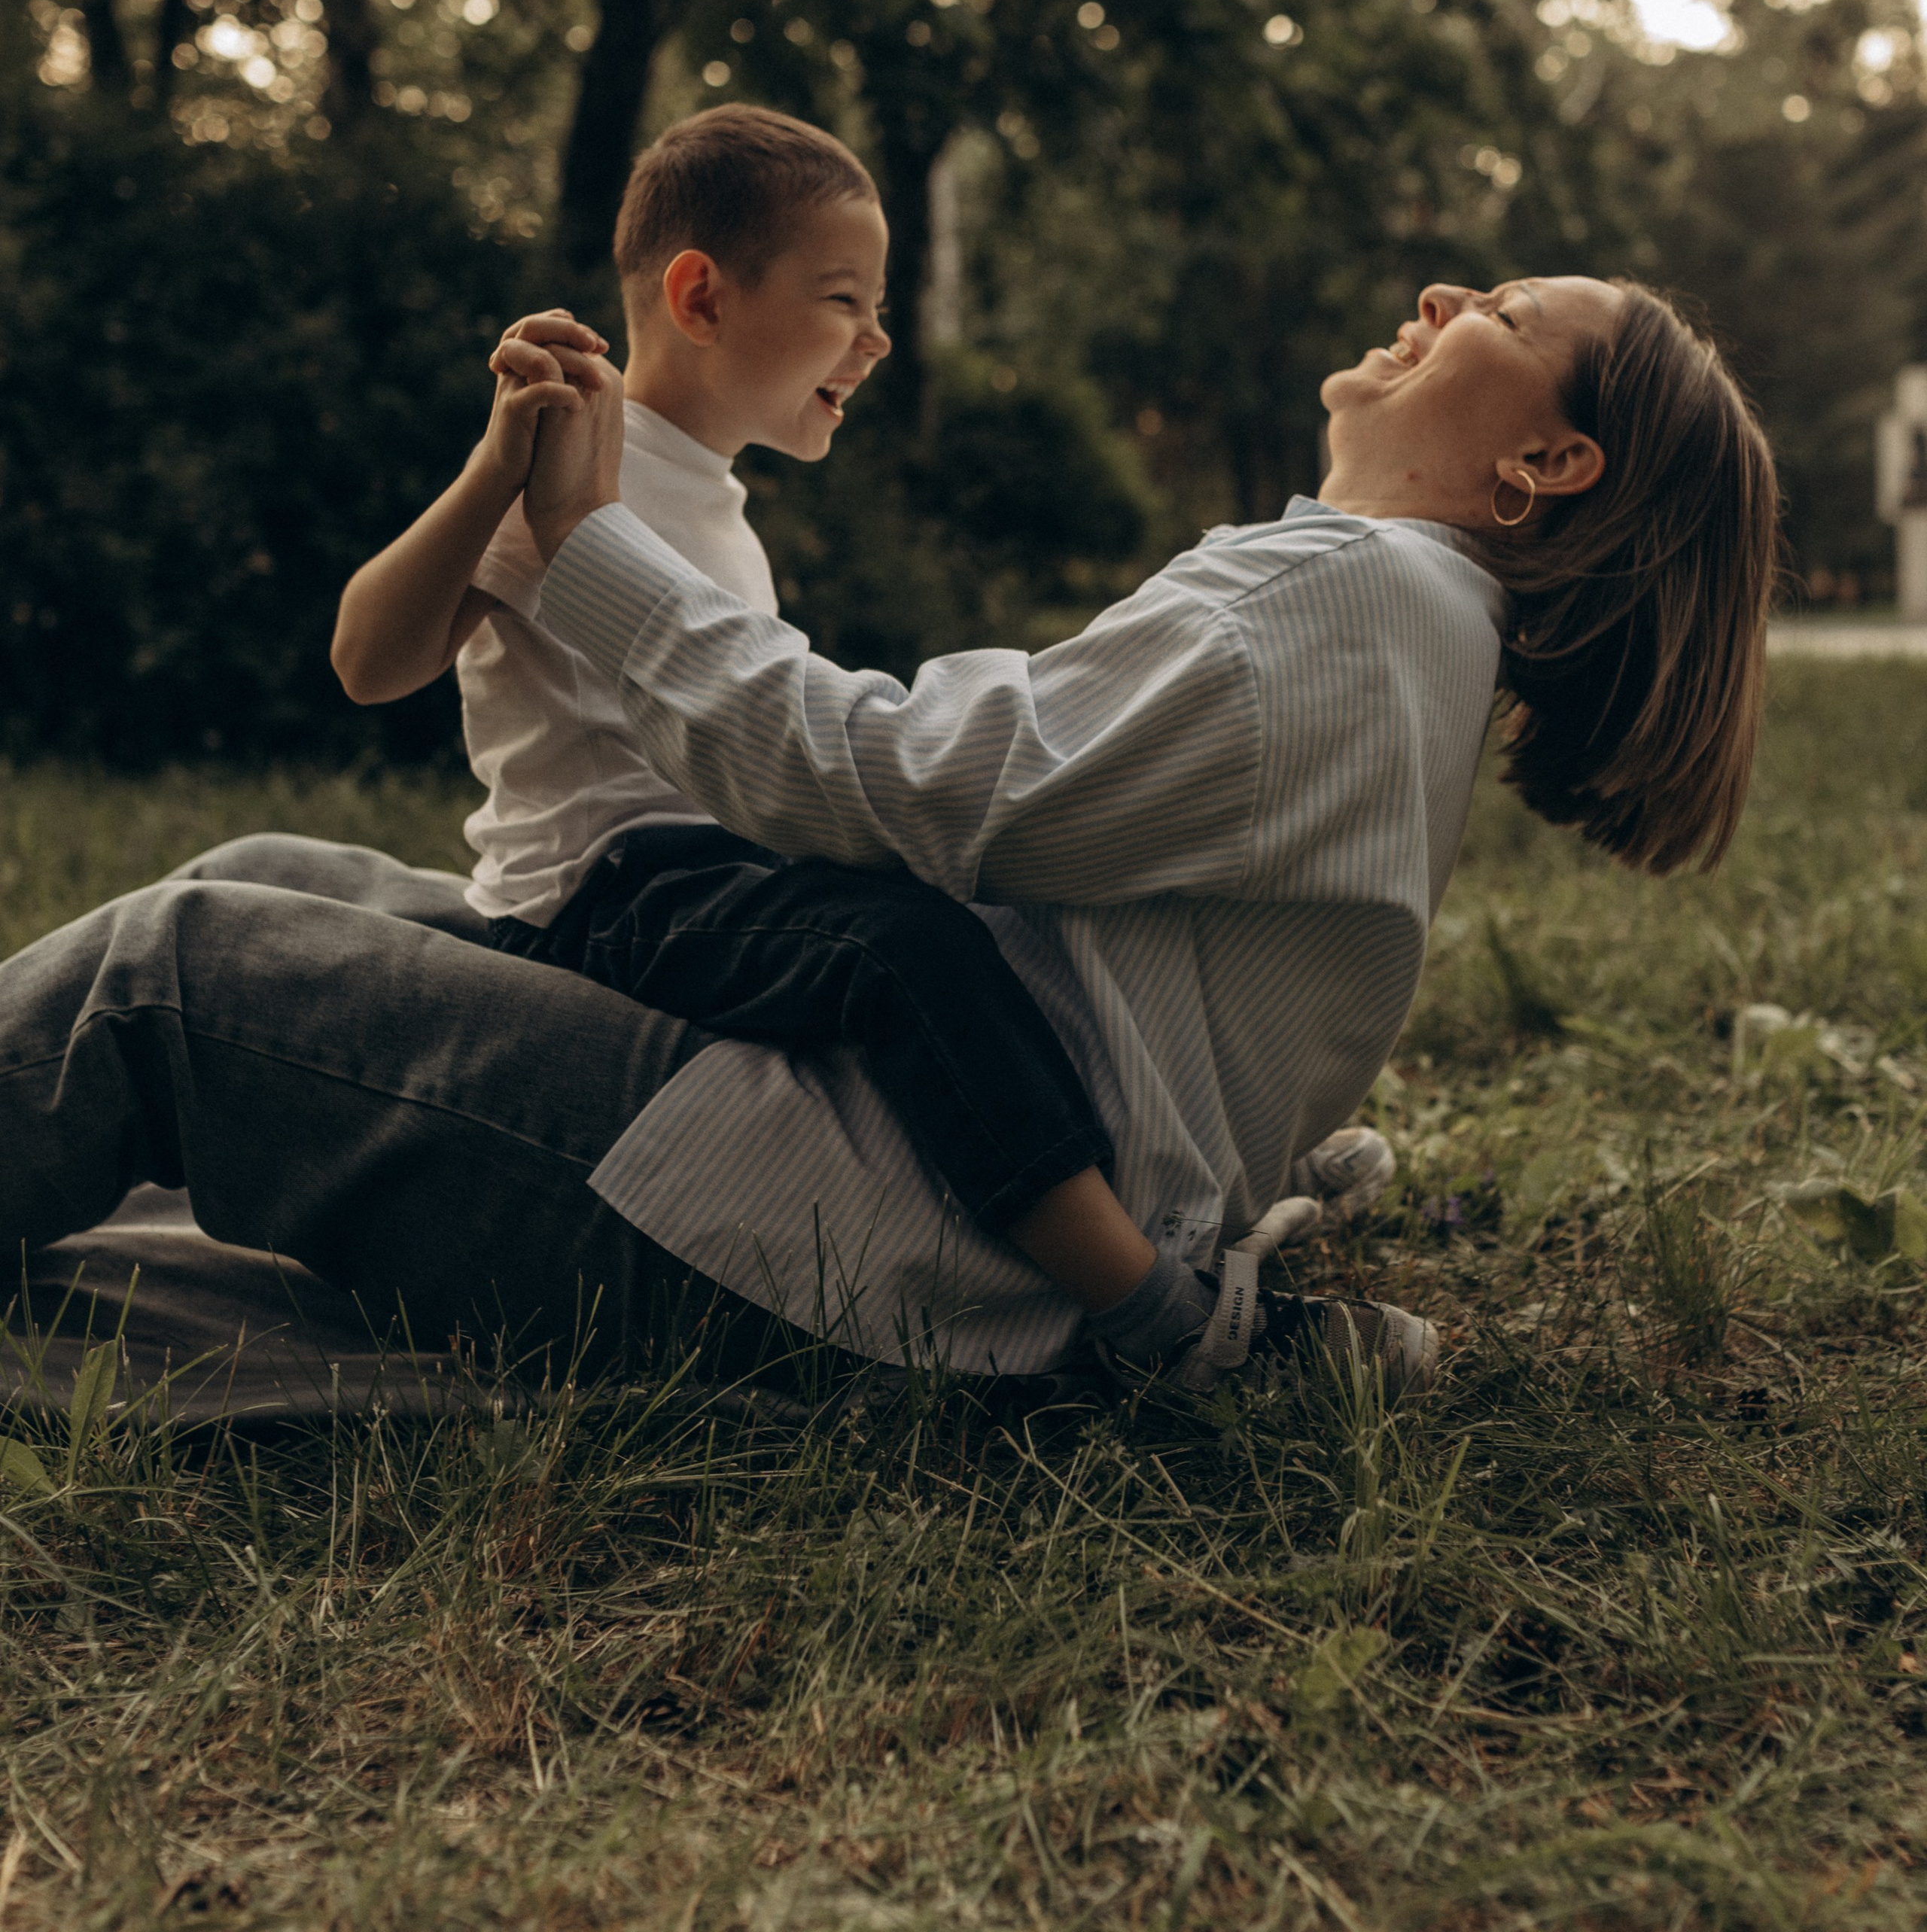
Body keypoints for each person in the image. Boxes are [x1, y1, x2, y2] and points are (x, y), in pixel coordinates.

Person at [0, 270, 1779, 1407]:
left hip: (842, 1230)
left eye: (1503, 315)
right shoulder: (1404, 623)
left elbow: (893, 783)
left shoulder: (1352, 597)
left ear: (1548, 465)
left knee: (169, 977)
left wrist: (589, 549)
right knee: (272, 881)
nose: (1441, 293)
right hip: (897, 1164)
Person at [323, 98, 1372, 1386]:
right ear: (700, 297)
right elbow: (369, 662)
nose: (877, 340)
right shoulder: (576, 464)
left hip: (716, 874)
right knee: (900, 952)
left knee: (987, 899)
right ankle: (1152, 1313)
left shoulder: (709, 490)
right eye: (842, 302)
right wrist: (496, 468)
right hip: (603, 901)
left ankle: (1199, 1171)